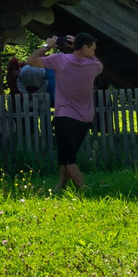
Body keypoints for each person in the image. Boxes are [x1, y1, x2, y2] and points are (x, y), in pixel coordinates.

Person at [23, 33, 104, 193]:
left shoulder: (60, 60)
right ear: (85, 47)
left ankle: (84, 190)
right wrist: (77, 45)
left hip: (65, 116)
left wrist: (48, 45)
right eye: (92, 48)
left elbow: (31, 60)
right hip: (85, 118)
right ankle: (61, 185)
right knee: (67, 155)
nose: (94, 51)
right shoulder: (94, 66)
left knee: (69, 159)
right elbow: (97, 61)